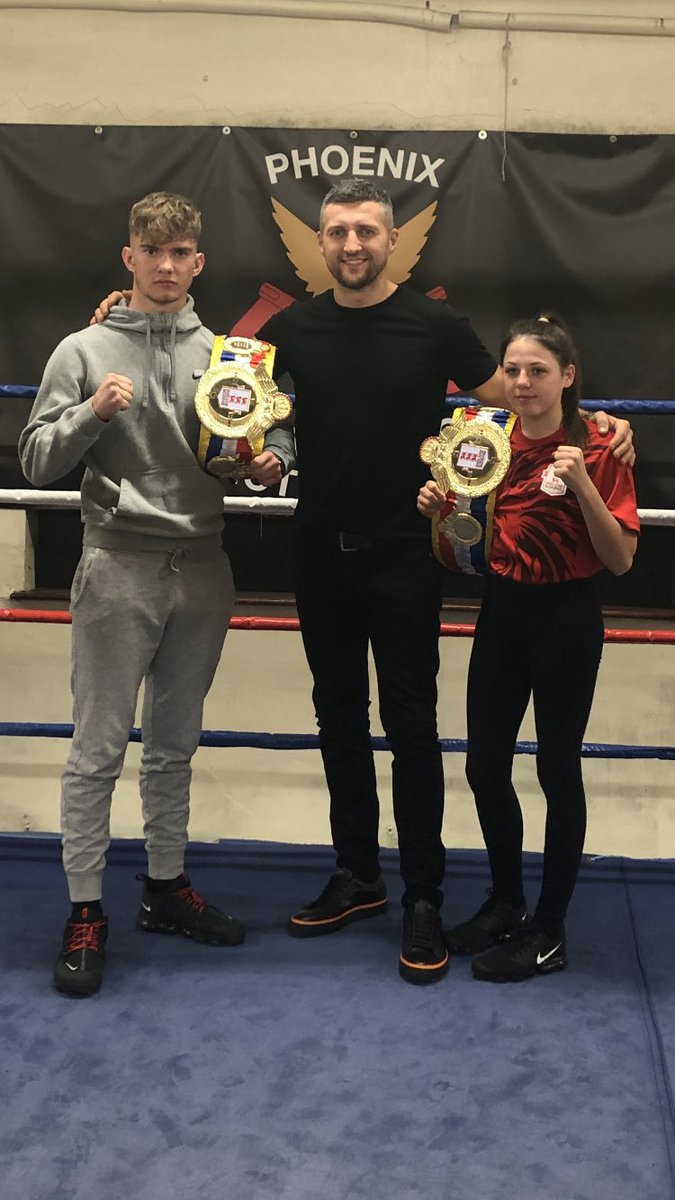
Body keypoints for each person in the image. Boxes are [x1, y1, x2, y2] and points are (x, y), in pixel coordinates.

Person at [92, 179, 633, 987]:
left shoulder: (435, 323)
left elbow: (517, 404)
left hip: (407, 556)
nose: (351, 245)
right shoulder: (292, 326)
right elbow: (221, 379)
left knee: (410, 725)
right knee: (336, 717)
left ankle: (422, 893)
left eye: (366, 232)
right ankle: (358, 876)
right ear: (320, 241)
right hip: (319, 549)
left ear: (390, 240)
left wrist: (601, 427)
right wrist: (122, 316)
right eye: (337, 232)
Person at [19, 191, 294, 997]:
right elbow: (36, 460)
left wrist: (272, 464)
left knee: (174, 742)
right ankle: (83, 910)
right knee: (97, 745)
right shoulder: (82, 348)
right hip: (117, 562)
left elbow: (268, 433)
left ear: (198, 263)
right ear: (129, 257)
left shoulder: (232, 355)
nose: (167, 267)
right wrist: (90, 416)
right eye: (154, 251)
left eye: (182, 254)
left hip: (204, 562)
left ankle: (165, 887)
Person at [418, 314, 639, 983]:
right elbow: (466, 553)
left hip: (567, 617)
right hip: (503, 611)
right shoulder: (484, 442)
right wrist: (441, 516)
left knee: (555, 769)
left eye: (537, 370)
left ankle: (549, 930)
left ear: (567, 377)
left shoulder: (600, 445)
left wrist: (582, 487)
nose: (520, 382)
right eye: (512, 370)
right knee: (485, 767)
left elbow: (622, 559)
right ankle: (507, 902)